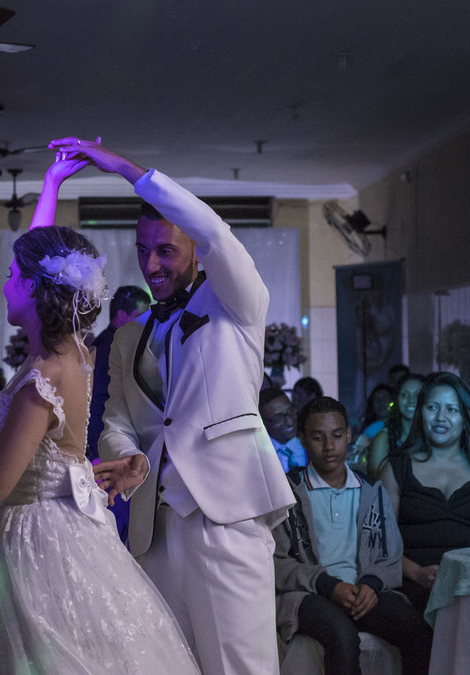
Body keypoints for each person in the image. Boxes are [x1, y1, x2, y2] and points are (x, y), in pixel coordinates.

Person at [0, 216, 199, 673]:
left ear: (37, 286)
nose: (7, 284)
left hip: (36, 543)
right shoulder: (72, 351)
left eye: (13, 276)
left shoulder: (44, 378)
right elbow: (45, 246)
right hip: (68, 527)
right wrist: (51, 180)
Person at [52, 137, 295, 674]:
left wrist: (125, 169)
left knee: (241, 667)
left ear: (195, 251)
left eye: (166, 249)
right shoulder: (126, 335)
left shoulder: (236, 302)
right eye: (142, 250)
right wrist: (128, 457)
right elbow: (116, 420)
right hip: (153, 528)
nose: (152, 264)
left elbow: (216, 231)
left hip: (226, 517)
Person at [273, 396, 433, 675]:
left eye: (337, 435)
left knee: (419, 631)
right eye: (317, 437)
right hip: (312, 593)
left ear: (349, 435)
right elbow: (275, 561)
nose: (329, 446)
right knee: (342, 636)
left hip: (362, 590)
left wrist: (371, 583)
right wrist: (327, 584)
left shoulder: (371, 491)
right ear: (302, 439)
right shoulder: (289, 493)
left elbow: (390, 553)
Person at [378, 372, 470, 612]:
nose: (441, 417)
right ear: (420, 413)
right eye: (433, 407)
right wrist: (416, 572)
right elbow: (380, 543)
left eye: (452, 410)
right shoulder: (397, 468)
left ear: (466, 418)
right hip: (410, 584)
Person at [87, 285, 150, 460]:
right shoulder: (107, 347)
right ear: (122, 315)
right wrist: (100, 451)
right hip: (106, 447)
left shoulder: (115, 343)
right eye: (140, 317)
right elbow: (98, 401)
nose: (146, 323)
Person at [368, 373, 424, 479]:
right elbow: (376, 481)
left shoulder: (435, 437)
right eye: (404, 395)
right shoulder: (384, 438)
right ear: (396, 399)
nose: (411, 400)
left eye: (417, 395)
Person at [261, 387, 307, 473]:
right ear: (263, 422)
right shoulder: (257, 455)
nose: (289, 422)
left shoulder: (308, 447)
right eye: (278, 418)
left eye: (291, 411)